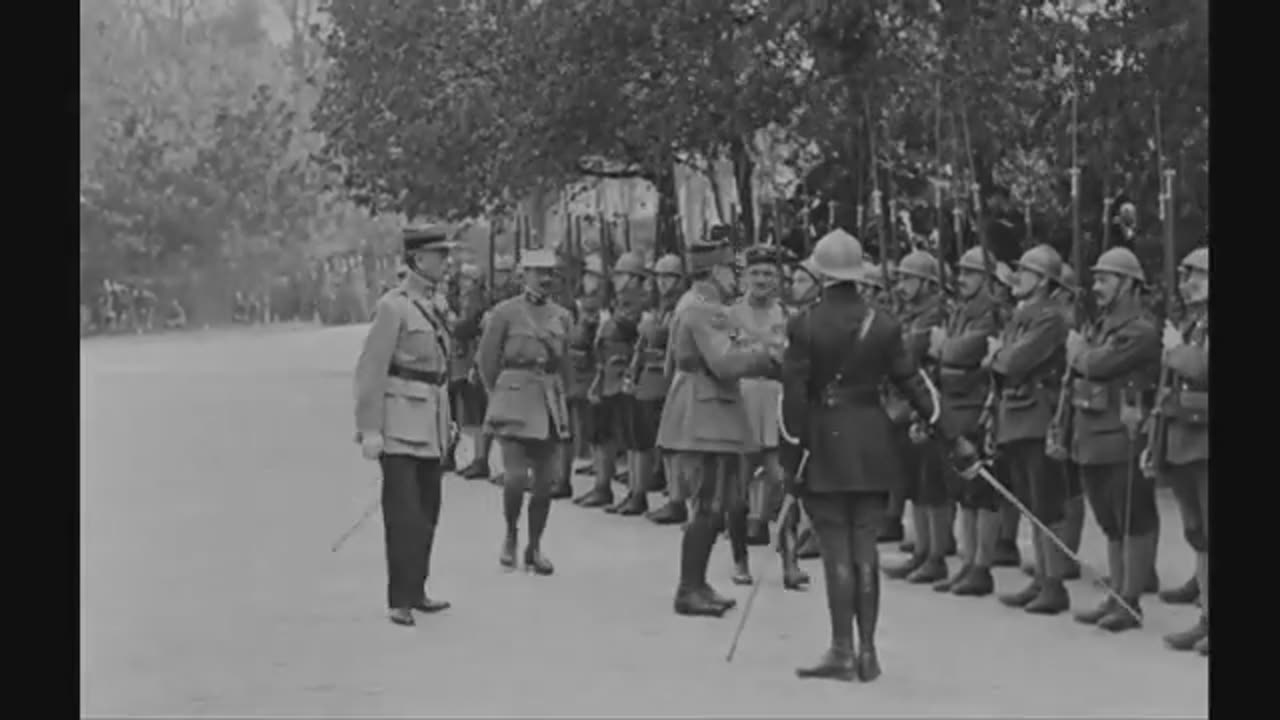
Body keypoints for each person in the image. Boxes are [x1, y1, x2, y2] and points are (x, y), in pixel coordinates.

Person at [782, 229, 971, 682]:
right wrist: (952, 436)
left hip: (824, 445)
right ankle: (868, 653)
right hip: (873, 441)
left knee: (835, 553)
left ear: (822, 272)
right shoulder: (884, 323)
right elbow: (915, 384)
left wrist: (791, 459)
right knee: (864, 548)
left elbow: (791, 403)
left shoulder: (804, 325)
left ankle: (842, 649)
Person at [656, 236, 778, 617]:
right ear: (714, 271)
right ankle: (689, 587)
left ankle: (697, 583)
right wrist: (768, 355)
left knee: (713, 503)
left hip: (706, 408)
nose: (736, 277)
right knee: (707, 503)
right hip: (705, 412)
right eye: (732, 269)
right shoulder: (704, 308)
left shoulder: (699, 305)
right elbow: (725, 362)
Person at [352, 225, 458, 627]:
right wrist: (369, 428)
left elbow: (443, 372)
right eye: (439, 255)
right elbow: (371, 369)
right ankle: (399, 598)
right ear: (417, 260)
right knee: (404, 515)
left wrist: (449, 420)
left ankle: (418, 589)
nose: (446, 262)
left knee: (429, 511)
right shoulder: (393, 307)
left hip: (430, 420)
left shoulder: (437, 304)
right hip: (397, 423)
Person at [1068, 247, 1161, 632]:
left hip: (1124, 433)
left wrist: (1079, 353)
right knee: (1108, 518)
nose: (1097, 286)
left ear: (1127, 284)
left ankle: (1130, 599)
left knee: (1131, 517)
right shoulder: (1103, 323)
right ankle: (1118, 593)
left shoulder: (1140, 328)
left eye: (1105, 279)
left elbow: (1096, 364)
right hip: (1093, 432)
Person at [475, 249, 573, 575]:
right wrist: (500, 393)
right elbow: (486, 360)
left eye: (549, 273)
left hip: (547, 399)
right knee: (515, 478)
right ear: (523, 275)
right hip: (513, 396)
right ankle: (510, 534)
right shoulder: (503, 313)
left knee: (545, 483)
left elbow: (565, 363)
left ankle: (534, 547)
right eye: (537, 272)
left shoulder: (561, 316)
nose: (544, 278)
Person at [988, 245, 1072, 614]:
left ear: (1042, 281)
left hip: (1038, 414)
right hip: (1017, 413)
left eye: (1024, 272)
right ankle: (1041, 578)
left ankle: (1053, 584)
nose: (1016, 278)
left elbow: (1013, 360)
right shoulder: (1024, 314)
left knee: (1045, 503)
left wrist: (997, 357)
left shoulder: (1051, 317)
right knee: (1029, 503)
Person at [929, 246, 1003, 597]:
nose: (961, 279)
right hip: (955, 403)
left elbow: (960, 352)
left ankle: (982, 565)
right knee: (964, 493)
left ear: (987, 279)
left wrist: (946, 347)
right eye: (960, 273)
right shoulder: (962, 310)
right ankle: (968, 562)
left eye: (970, 273)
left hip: (977, 404)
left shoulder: (990, 314)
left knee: (981, 490)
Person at [1146, 246, 1209, 656]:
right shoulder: (1192, 324)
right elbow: (1168, 389)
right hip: (1185, 439)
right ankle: (1207, 616)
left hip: (1206, 442)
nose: (1187, 285)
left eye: (1196, 277)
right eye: (1186, 277)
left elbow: (1202, 369)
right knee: (1199, 534)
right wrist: (1155, 442)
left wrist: (1173, 349)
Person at [883, 250, 953, 583]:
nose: (901, 285)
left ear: (927, 282)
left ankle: (936, 555)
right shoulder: (908, 311)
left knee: (931, 485)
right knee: (915, 485)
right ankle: (922, 551)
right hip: (902, 403)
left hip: (927, 402)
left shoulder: (936, 312)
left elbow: (907, 351)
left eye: (909, 278)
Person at [727, 245, 791, 583]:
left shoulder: (787, 315)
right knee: (738, 489)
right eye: (755, 273)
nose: (762, 280)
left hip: (777, 403)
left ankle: (789, 561)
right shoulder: (730, 314)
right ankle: (740, 560)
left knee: (782, 484)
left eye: (768, 273)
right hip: (742, 403)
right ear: (744, 277)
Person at [614, 252, 686, 515]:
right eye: (660, 277)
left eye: (670, 277)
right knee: (638, 440)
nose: (664, 283)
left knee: (670, 444)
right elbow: (640, 346)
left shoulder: (684, 306)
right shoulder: (655, 308)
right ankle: (636, 492)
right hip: (648, 377)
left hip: (670, 378)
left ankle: (676, 500)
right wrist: (632, 372)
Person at [562, 254, 606, 499]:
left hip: (594, 369)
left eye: (593, 275)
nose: (589, 279)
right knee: (581, 425)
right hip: (578, 368)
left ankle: (602, 482)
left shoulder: (600, 304)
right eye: (588, 274)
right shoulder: (581, 300)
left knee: (597, 429)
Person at [449, 263, 488, 474]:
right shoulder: (463, 300)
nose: (463, 284)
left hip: (473, 359)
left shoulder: (476, 301)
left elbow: (467, 327)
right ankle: (474, 457)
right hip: (462, 361)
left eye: (467, 279)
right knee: (468, 413)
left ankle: (481, 459)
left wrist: (453, 324)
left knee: (476, 411)